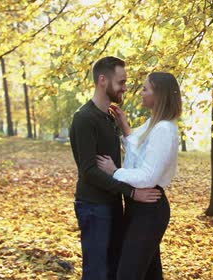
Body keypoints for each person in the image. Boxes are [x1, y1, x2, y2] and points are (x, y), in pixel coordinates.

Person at [69, 56, 162, 280]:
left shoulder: (110, 117)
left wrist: (124, 126)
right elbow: (89, 171)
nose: (126, 87)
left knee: (113, 270)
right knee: (96, 273)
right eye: (121, 82)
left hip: (112, 203)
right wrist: (131, 192)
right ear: (103, 80)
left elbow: (125, 160)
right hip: (93, 207)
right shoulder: (84, 119)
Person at [96, 72, 182, 280]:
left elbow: (148, 177)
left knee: (128, 274)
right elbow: (138, 153)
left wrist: (114, 172)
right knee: (149, 274)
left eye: (145, 89)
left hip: (150, 209)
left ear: (159, 95)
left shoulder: (164, 129)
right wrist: (125, 126)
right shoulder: (154, 123)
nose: (140, 93)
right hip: (138, 208)